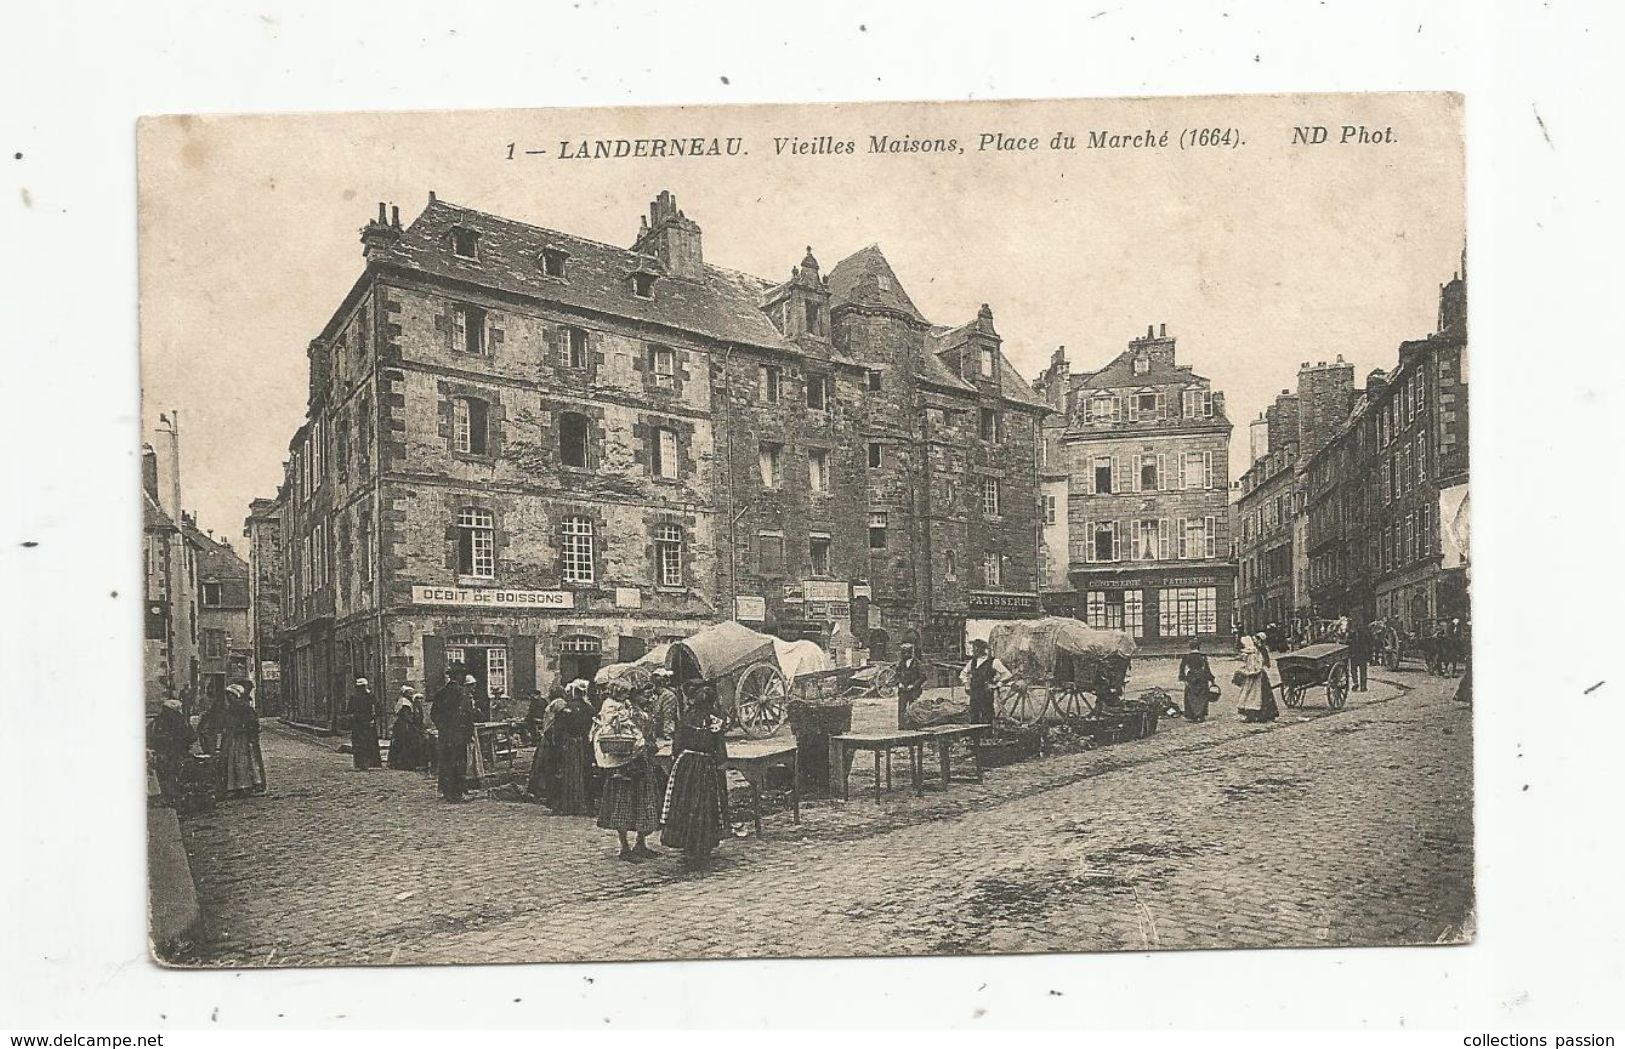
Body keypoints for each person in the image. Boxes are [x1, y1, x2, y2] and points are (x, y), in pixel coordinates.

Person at [660, 683, 730, 869]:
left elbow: (678, 742)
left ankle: (688, 844)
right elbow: (719, 744)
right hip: (705, 766)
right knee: (704, 804)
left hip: (686, 766)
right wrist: (722, 763)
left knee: (686, 802)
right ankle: (701, 846)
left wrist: (676, 758)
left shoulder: (687, 717)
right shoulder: (714, 721)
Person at [591, 681, 662, 862]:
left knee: (644, 802)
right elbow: (617, 728)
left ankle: (640, 842)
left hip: (641, 760)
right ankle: (624, 846)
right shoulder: (617, 709)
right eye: (643, 695)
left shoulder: (637, 709)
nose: (648, 698)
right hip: (624, 762)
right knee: (623, 803)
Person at [528, 681, 594, 814]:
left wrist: (557, 744)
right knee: (582, 773)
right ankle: (581, 803)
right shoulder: (589, 708)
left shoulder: (566, 708)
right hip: (583, 743)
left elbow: (558, 729)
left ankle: (566, 804)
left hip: (568, 744)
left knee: (566, 773)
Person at [431, 663, 475, 802]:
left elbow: (434, 714)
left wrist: (443, 728)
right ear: (458, 676)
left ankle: (447, 791)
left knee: (446, 762)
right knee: (458, 763)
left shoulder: (441, 693)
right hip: (459, 735)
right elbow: (467, 715)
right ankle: (457, 793)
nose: (463, 678)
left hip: (446, 735)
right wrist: (468, 732)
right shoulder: (463, 693)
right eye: (462, 675)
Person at [218, 681, 267, 796]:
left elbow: (253, 723)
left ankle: (247, 785)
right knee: (234, 762)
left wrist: (244, 729)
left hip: (244, 739)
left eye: (231, 696)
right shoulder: (230, 709)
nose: (229, 698)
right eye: (228, 696)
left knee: (245, 762)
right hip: (233, 740)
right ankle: (236, 786)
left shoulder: (244, 708)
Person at [148, 698, 196, 806]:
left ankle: (171, 797)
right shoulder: (176, 720)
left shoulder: (164, 720)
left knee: (169, 774)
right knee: (169, 774)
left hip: (171, 753)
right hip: (170, 752)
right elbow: (191, 736)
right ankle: (172, 797)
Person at [959, 638, 1011, 725]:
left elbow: (1007, 674)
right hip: (974, 692)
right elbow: (962, 674)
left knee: (987, 714)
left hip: (986, 692)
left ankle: (988, 736)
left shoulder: (994, 661)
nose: (973, 650)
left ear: (982, 649)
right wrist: (966, 684)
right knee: (974, 714)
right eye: (973, 648)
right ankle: (975, 737)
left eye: (976, 648)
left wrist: (998, 684)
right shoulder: (972, 662)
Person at [1235, 633, 1279, 724]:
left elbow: (1260, 664)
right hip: (1253, 675)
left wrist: (1253, 671)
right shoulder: (1253, 650)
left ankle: (1260, 715)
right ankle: (1254, 714)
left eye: (1256, 639)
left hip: (1257, 676)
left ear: (1259, 640)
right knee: (1251, 694)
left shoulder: (1260, 651)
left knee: (1257, 695)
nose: (1254, 640)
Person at [347, 678, 382, 770]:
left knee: (359, 742)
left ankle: (360, 763)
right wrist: (374, 717)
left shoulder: (354, 696)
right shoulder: (370, 696)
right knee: (369, 742)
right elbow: (378, 708)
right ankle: (371, 763)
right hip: (368, 721)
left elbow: (349, 710)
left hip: (358, 722)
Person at [1178, 638, 1216, 722]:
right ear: (1199, 647)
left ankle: (1192, 715)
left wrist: (1183, 679)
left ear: (1190, 647)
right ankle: (1201, 715)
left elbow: (1182, 668)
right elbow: (1207, 669)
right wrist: (1212, 679)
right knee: (1202, 696)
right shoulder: (1202, 657)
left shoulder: (1186, 657)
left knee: (1190, 696)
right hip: (1202, 677)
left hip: (1191, 677)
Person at [895, 643, 927, 728]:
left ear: (911, 653)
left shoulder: (917, 663)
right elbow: (897, 675)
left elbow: (923, 677)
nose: (905, 655)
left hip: (914, 690)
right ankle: (901, 725)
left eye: (907, 652)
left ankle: (913, 724)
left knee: (913, 707)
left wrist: (913, 685)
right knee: (901, 707)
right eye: (903, 653)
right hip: (902, 689)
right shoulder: (901, 663)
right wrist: (899, 683)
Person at [387, 695, 424, 771]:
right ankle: (400, 763)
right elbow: (407, 717)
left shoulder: (415, 707)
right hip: (403, 728)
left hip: (409, 727)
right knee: (402, 745)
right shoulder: (405, 705)